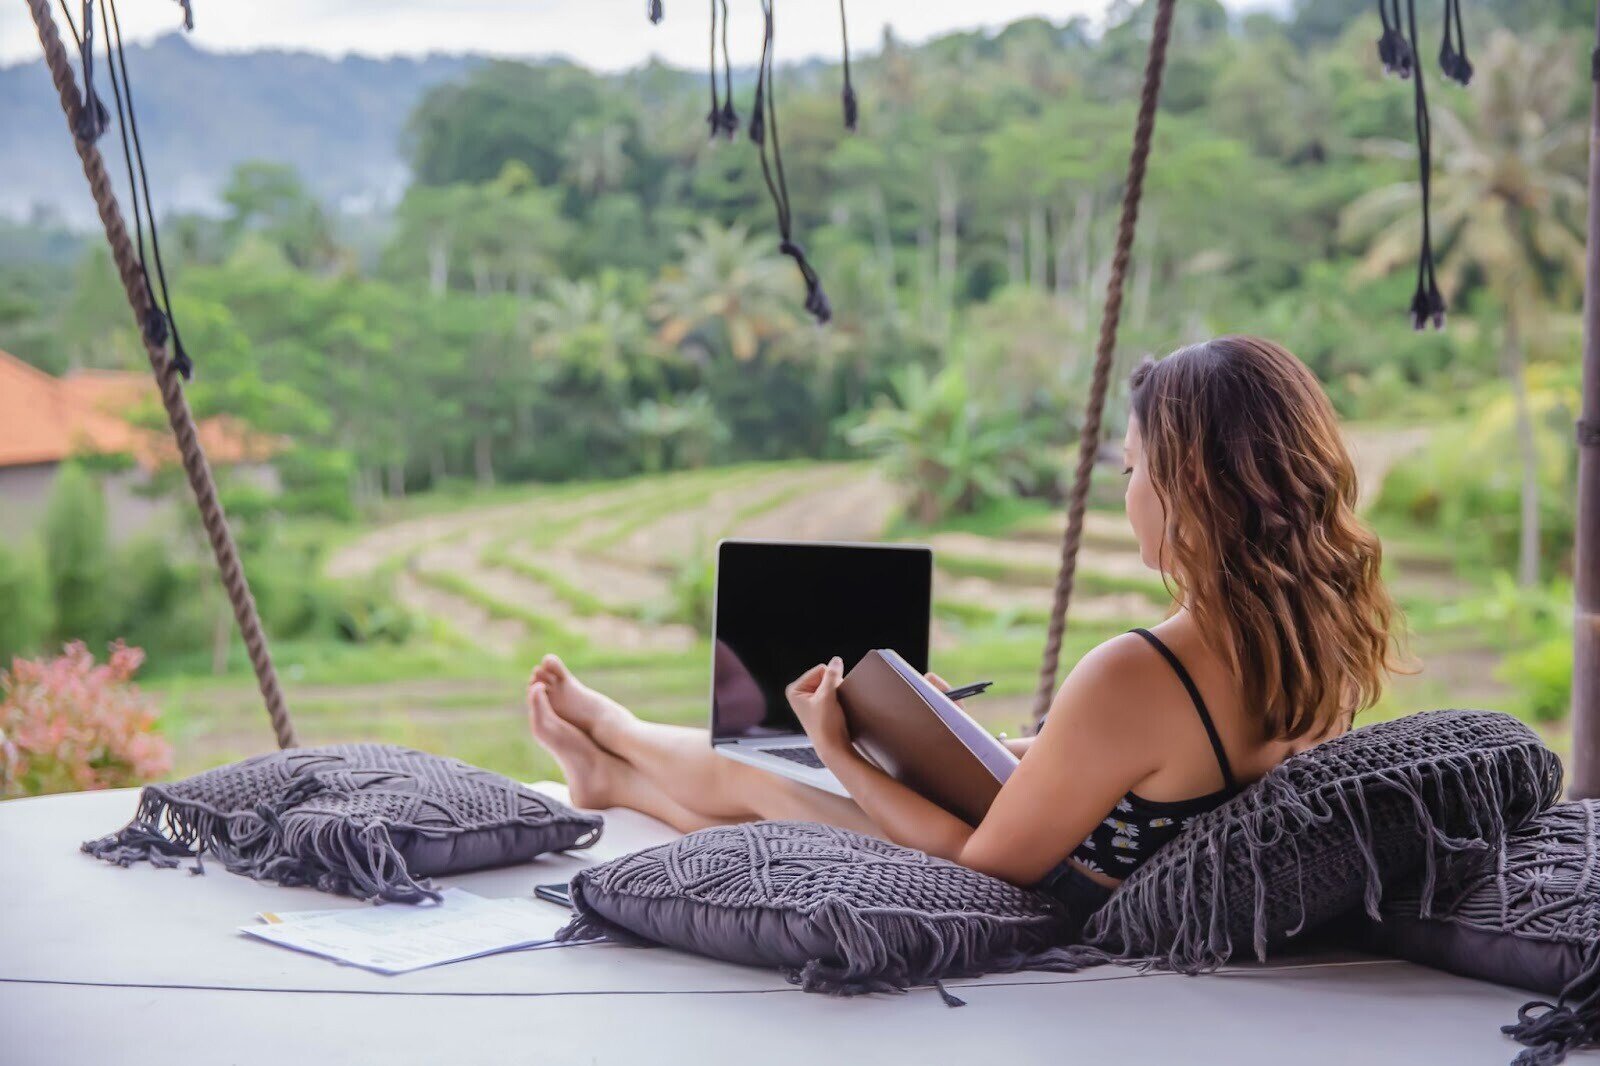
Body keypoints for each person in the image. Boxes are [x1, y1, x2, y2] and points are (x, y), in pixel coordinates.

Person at [526, 335, 1401, 931]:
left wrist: (843, 753)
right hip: (1089, 844)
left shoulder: (1141, 671)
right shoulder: (1316, 632)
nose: (1123, 492)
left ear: (1194, 487)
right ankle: (609, 765)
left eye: (1133, 469)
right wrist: (953, 741)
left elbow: (985, 866)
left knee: (755, 773)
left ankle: (615, 744)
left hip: (1053, 892)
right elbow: (1128, 771)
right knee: (770, 767)